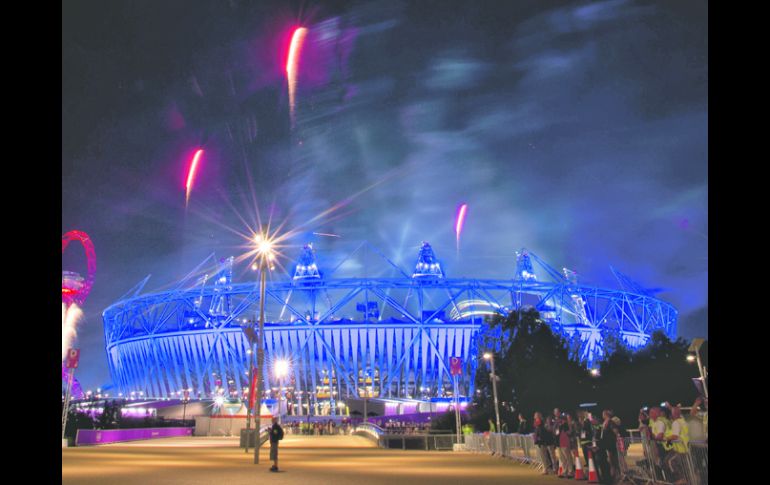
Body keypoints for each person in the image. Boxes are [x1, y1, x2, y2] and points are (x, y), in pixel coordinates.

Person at [665, 405, 690, 485]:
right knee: (685, 466)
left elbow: (675, 436)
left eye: (672, 414)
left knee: (670, 461)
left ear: (673, 414)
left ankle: (682, 479)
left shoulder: (676, 423)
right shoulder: (682, 420)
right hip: (687, 447)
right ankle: (687, 480)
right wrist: (670, 407)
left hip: (681, 449)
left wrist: (667, 438)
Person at [558, 413, 575, 478]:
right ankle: (565, 471)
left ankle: (570, 471)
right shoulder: (560, 425)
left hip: (565, 442)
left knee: (568, 457)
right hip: (560, 443)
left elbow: (570, 432)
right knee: (563, 458)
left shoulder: (566, 425)